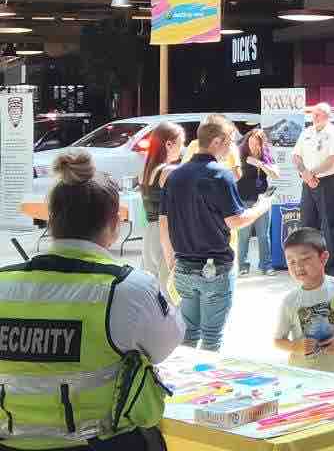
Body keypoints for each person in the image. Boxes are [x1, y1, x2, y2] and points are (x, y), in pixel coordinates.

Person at [0, 150, 185, 451]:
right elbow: (166, 345)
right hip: (99, 443)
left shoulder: (3, 284)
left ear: (51, 220)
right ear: (114, 223)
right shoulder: (129, 289)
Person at [160, 121, 273, 351]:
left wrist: (171, 260)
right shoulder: (221, 175)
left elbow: (164, 222)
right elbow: (235, 221)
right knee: (212, 338)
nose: (231, 148)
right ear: (217, 141)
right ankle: (205, 387)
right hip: (216, 267)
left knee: (188, 336)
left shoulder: (174, 177)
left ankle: (187, 384)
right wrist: (263, 206)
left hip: (183, 265)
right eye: (230, 142)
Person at [274, 228, 334, 374]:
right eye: (291, 261)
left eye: (305, 259)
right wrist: (296, 347)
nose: (298, 267)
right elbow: (278, 340)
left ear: (323, 258)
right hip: (301, 377)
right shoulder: (290, 301)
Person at [294, 103, 334, 276]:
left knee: (329, 224)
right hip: (307, 182)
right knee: (307, 225)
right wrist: (304, 173)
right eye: (313, 114)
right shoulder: (306, 132)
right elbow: (296, 156)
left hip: (327, 181)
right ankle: (308, 263)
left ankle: (331, 266)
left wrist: (312, 173)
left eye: (318, 114)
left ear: (327, 115)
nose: (314, 117)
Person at [139, 120, 185, 284]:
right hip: (165, 234)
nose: (182, 148)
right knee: (169, 293)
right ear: (169, 144)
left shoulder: (145, 170)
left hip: (149, 233)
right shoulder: (169, 171)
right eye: (181, 143)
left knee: (152, 289)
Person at [237, 127, 278, 276]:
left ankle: (266, 265)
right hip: (243, 199)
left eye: (256, 143)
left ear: (262, 144)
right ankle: (242, 265)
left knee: (263, 234)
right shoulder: (241, 155)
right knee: (243, 234)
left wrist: (260, 164)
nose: (253, 146)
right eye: (251, 142)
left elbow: (276, 174)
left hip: (262, 200)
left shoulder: (265, 156)